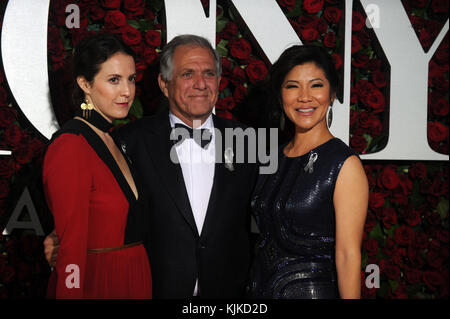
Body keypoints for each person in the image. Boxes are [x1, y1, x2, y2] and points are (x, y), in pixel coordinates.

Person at [45, 34, 258, 298]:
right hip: (151, 290)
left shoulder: (250, 142)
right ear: (164, 84)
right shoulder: (128, 140)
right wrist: (61, 236)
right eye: (188, 74)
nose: (201, 84)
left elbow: (272, 210)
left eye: (209, 73)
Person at [246, 45, 368, 299]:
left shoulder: (344, 164)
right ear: (280, 96)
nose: (304, 97)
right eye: (292, 86)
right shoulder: (272, 158)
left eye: (315, 85)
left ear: (332, 93)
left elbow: (348, 255)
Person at [43, 33, 152, 299]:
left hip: (135, 279)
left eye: (131, 79)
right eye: (114, 80)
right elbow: (70, 249)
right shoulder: (71, 146)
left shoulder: (115, 140)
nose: (127, 91)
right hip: (100, 283)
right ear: (85, 84)